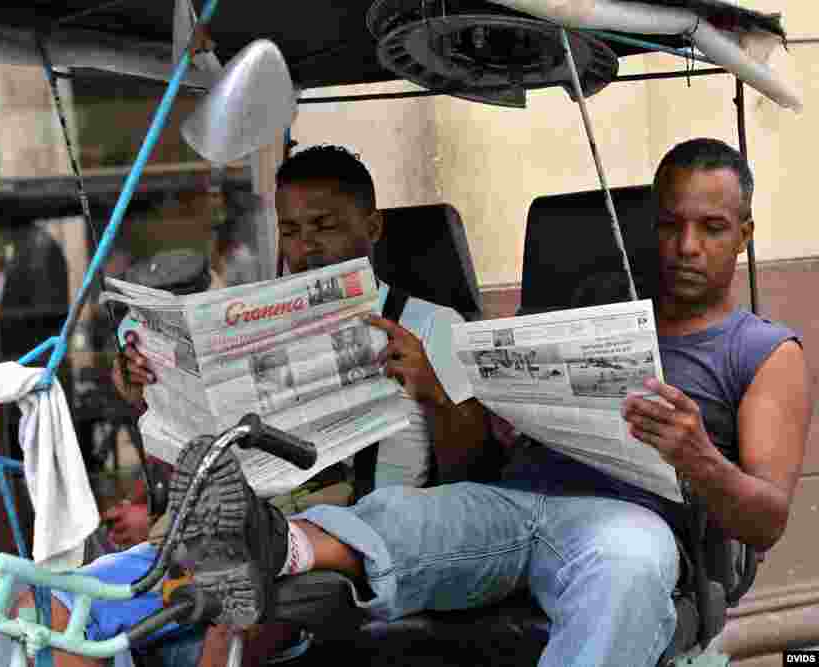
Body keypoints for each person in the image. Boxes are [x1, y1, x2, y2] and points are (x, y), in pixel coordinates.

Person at [153, 137, 811, 667]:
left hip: (627, 522)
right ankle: (271, 544)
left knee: (627, 575)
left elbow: (766, 520)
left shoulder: (762, 352)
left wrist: (698, 456)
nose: (688, 246)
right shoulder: (598, 308)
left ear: (745, 233)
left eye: (713, 227)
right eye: (671, 225)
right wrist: (496, 399)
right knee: (404, 515)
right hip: (512, 501)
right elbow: (477, 457)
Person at [40, 145, 488, 666]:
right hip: (244, 528)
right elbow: (206, 454)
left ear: (372, 226)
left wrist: (432, 392)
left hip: (353, 539)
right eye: (292, 231)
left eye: (324, 226)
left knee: (231, 622)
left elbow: (475, 479)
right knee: (51, 609)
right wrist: (146, 391)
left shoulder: (434, 326)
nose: (306, 247)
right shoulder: (256, 323)